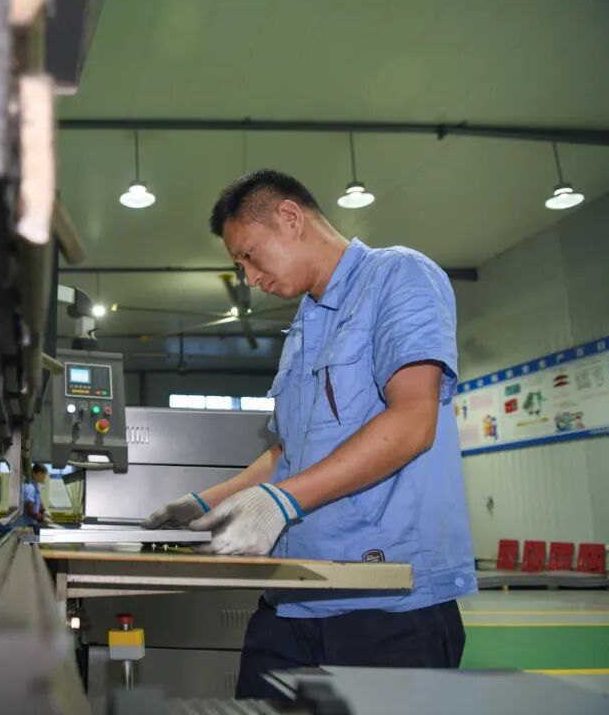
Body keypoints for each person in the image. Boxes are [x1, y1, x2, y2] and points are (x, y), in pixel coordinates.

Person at [143, 170, 474, 699]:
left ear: (290, 217)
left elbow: (413, 420)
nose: (250, 278)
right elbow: (287, 453)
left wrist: (284, 501)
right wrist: (204, 504)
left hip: (385, 605)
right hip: (293, 600)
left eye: (249, 256)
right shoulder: (303, 325)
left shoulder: (398, 277)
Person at [21, 463, 48, 530]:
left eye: (44, 473)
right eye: (42, 473)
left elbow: (39, 501)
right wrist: (41, 517)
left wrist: (44, 511)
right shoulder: (30, 488)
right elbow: (29, 511)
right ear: (34, 474)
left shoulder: (37, 487)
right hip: (27, 525)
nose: (44, 476)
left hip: (33, 522)